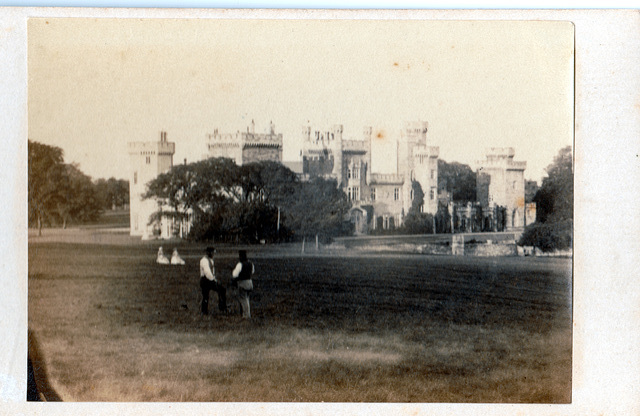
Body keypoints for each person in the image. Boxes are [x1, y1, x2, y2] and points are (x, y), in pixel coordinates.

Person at [199, 246, 227, 315]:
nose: (213, 254)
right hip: (205, 280)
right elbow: (207, 272)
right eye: (212, 253)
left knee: (221, 290)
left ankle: (222, 307)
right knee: (206, 296)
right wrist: (214, 280)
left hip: (209, 279)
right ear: (209, 253)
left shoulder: (211, 260)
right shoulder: (204, 260)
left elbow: (212, 271)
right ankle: (204, 311)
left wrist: (214, 278)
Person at [231, 250, 255, 319]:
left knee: (243, 299)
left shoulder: (240, 264)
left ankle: (246, 315)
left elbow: (234, 274)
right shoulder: (251, 263)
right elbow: (252, 271)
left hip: (242, 283)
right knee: (246, 298)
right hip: (250, 283)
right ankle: (246, 314)